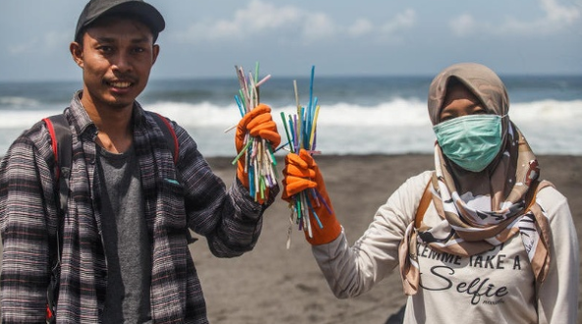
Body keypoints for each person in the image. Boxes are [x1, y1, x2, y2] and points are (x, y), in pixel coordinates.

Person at [0, 0, 280, 322]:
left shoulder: (169, 140)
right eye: (105, 49)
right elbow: (22, 297)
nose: (122, 65)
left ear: (154, 56)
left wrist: (251, 173)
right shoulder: (36, 153)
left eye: (136, 50)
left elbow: (229, 238)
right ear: (78, 53)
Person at [282, 62, 579, 323]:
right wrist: (319, 211)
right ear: (436, 125)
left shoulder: (544, 209)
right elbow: (349, 280)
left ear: (501, 116)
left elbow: (559, 315)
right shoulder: (419, 195)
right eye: (450, 118)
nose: (464, 127)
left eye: (477, 113)